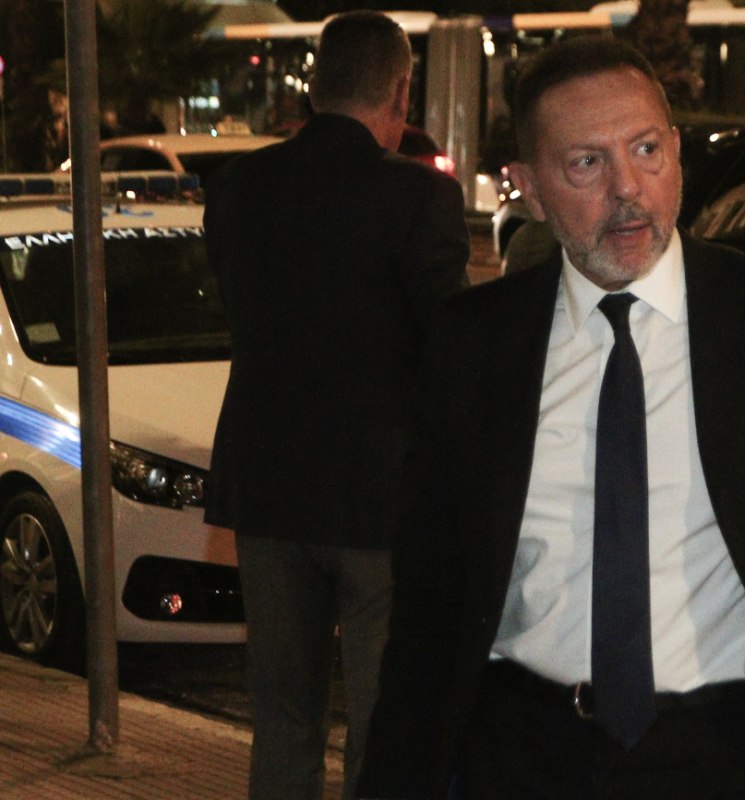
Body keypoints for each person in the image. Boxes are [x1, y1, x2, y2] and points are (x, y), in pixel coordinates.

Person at [357, 37, 745, 800]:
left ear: (676, 152)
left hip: (728, 754)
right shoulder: (475, 342)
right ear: (529, 189)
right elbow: (428, 599)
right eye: (587, 163)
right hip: (519, 753)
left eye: (646, 150)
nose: (628, 189)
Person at [202, 11, 470, 800]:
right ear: (400, 92)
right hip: (379, 499)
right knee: (385, 722)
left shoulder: (240, 187)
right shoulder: (419, 196)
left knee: (283, 716)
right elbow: (451, 346)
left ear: (315, 87)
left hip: (267, 489)